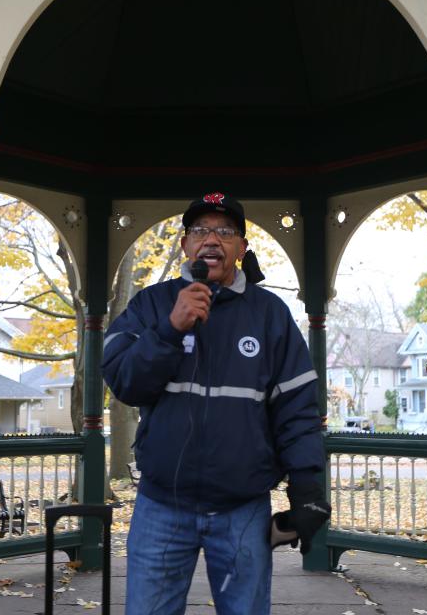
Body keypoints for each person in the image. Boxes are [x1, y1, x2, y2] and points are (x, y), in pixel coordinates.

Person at [102, 192, 330, 615]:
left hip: (243, 509)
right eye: (201, 230)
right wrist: (171, 328)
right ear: (186, 244)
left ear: (241, 249)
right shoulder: (150, 305)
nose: (212, 239)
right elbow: (124, 383)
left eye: (225, 231)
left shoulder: (270, 314)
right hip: (161, 507)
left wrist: (306, 484)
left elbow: (297, 407)